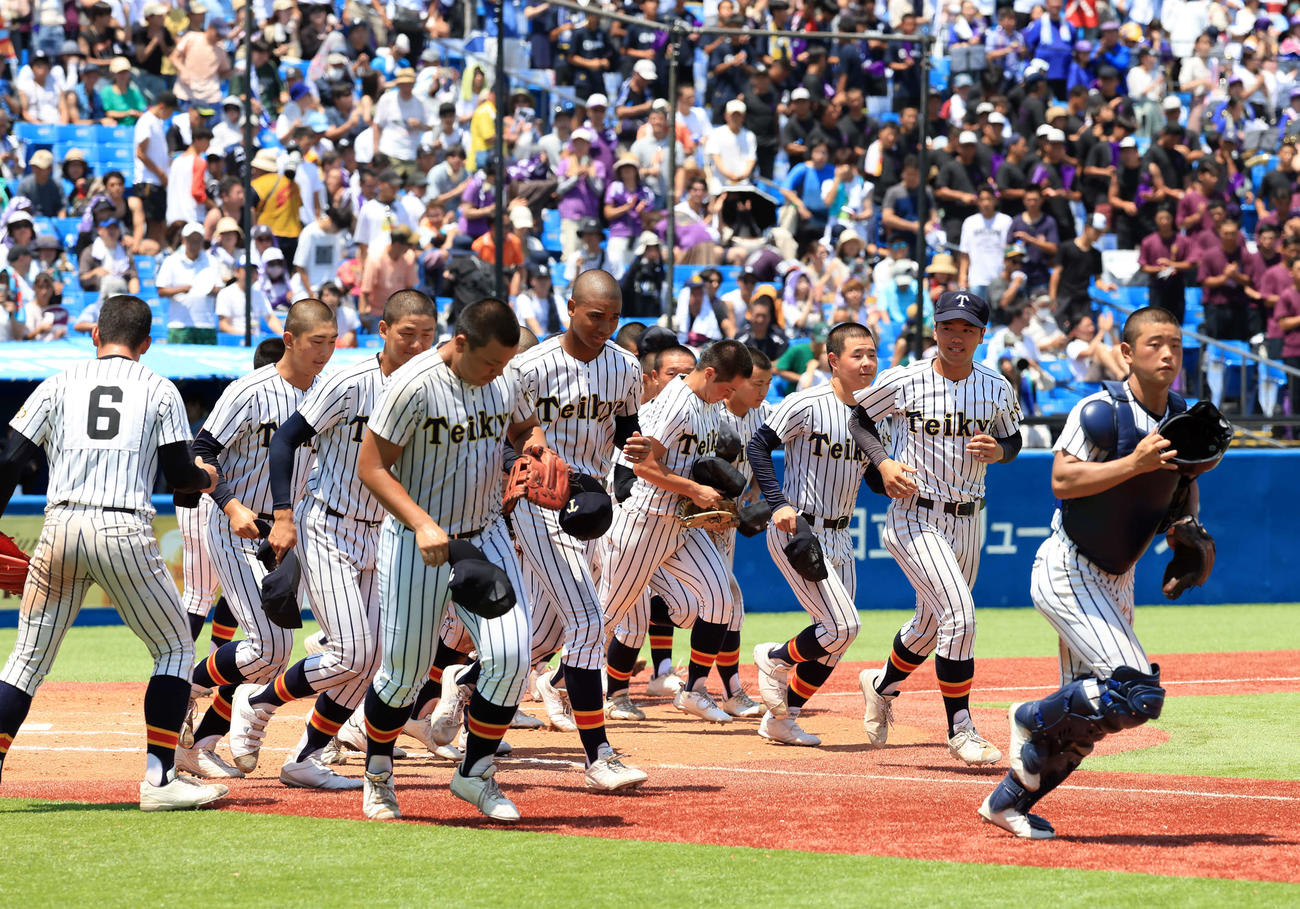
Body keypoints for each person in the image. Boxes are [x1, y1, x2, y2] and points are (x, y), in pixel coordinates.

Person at [979, 307, 1221, 839]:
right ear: (1127, 354)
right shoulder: (1101, 410)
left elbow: (1183, 487)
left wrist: (1187, 526)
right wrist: (1134, 463)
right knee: (1138, 694)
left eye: (1175, 344)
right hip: (1070, 567)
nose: (1168, 353)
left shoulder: (1183, 416)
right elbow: (1062, 479)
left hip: (1118, 577)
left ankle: (1007, 804)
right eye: (1155, 343)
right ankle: (1028, 715)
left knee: (1084, 725)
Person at [0, 294, 225, 811]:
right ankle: (160, 779)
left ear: (95, 335)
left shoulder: (57, 383)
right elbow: (180, 481)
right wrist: (206, 479)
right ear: (147, 344)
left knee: (26, 661)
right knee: (174, 649)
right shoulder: (160, 389)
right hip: (121, 526)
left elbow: (9, 460)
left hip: (58, 525)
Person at [227, 291, 442, 791]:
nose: (416, 344)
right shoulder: (349, 381)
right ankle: (258, 703)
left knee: (372, 662)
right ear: (383, 331)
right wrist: (283, 515)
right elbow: (284, 440)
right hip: (330, 525)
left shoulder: (434, 388)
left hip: (386, 533)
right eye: (407, 333)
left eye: (426, 335)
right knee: (352, 653)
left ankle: (304, 758)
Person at [354, 298, 548, 822]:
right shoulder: (414, 385)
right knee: (402, 676)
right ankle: (377, 772)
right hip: (417, 543)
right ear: (460, 343)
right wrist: (420, 522)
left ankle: (475, 774)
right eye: (490, 362)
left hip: (484, 534)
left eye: (506, 363)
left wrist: (536, 449)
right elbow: (370, 467)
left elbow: (524, 426)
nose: (499, 373)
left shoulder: (503, 377)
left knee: (512, 656)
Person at [849, 290, 1022, 764]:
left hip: (969, 519)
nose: (956, 336)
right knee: (961, 617)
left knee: (931, 624)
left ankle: (881, 686)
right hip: (914, 513)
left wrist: (1000, 452)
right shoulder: (905, 379)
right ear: (935, 330)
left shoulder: (996, 387)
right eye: (948, 326)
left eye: (967, 328)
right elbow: (859, 419)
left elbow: (1014, 438)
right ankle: (960, 728)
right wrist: (883, 463)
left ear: (982, 335)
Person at [179, 300, 338, 780]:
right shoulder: (249, 391)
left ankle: (202, 740)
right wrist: (229, 503)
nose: (325, 353)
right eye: (317, 342)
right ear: (290, 339)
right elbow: (200, 453)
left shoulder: (333, 390)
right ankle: (183, 683)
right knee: (269, 648)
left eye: (332, 342)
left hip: (300, 529)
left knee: (311, 648)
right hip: (239, 522)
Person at [512, 270, 650, 789]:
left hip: (592, 504)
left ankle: (454, 689)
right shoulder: (531, 366)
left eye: (614, 317)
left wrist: (637, 449)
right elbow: (504, 436)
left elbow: (627, 429)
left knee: (541, 634)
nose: (606, 326)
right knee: (590, 623)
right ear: (570, 308)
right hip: (538, 502)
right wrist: (529, 457)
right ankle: (599, 756)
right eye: (596, 316)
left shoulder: (625, 366)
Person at [598, 341, 754, 725]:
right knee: (606, 615)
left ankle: (695, 690)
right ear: (711, 373)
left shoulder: (706, 406)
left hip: (678, 523)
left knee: (722, 596)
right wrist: (695, 490)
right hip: (642, 521)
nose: (729, 397)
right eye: (728, 388)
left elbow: (691, 466)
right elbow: (643, 466)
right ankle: (553, 680)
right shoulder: (676, 403)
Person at [748, 323, 879, 745]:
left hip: (842, 532)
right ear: (833, 360)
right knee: (843, 626)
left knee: (835, 642)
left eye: (872, 354)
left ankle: (783, 719)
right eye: (857, 355)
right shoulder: (806, 403)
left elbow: (874, 478)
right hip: (800, 527)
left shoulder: (873, 413)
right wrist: (778, 501)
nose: (867, 363)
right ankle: (773, 659)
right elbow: (757, 445)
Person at [157, 222, 221, 345]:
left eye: (198, 240)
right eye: (191, 239)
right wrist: (182, 289)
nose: (194, 243)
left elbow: (218, 288)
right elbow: (161, 291)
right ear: (183, 240)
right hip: (179, 325)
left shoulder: (212, 261)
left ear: (202, 240)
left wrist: (212, 290)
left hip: (206, 324)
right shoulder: (171, 261)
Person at [1051, 212, 1116, 330]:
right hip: (1063, 299)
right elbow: (1056, 273)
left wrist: (1105, 286)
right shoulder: (1066, 247)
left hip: (1082, 301)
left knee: (1086, 332)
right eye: (1097, 231)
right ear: (1087, 228)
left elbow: (1097, 280)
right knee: (1062, 332)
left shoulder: (1096, 254)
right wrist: (1053, 298)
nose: (1099, 235)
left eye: (1101, 232)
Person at [959, 186, 1013, 301]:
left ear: (995, 200)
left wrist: (1007, 272)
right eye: (982, 199)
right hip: (976, 278)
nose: (986, 203)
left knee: (998, 317)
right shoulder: (969, 222)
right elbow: (965, 253)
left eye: (989, 199)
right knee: (977, 316)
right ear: (977, 201)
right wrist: (963, 276)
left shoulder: (1006, 221)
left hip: (999, 277)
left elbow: (1009, 250)